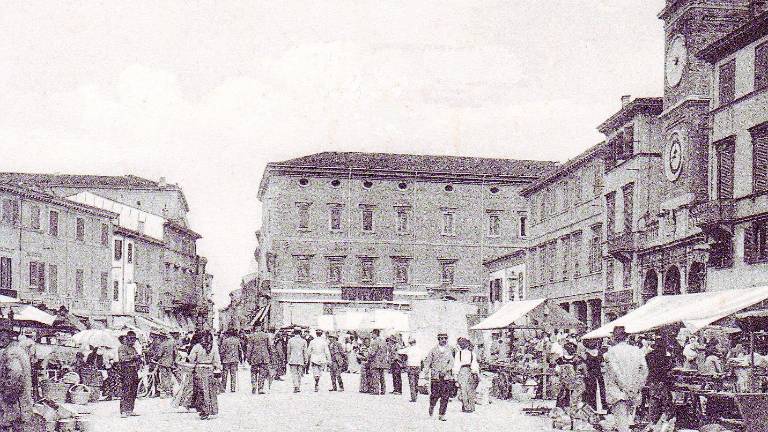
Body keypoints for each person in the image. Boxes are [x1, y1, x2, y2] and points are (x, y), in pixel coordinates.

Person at [604, 326, 648, 432]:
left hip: (618, 392)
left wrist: (626, 388)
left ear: (614, 337)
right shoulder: (637, 351)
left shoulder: (611, 352)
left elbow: (615, 372)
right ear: (627, 337)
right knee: (629, 421)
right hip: (634, 392)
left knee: (622, 424)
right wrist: (637, 387)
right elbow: (644, 370)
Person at [0, 324, 33, 432]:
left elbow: (15, 373)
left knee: (12, 425)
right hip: (21, 401)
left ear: (4, 338)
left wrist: (9, 394)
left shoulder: (11, 352)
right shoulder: (18, 350)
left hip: (15, 402)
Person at [188, 331, 221, 420]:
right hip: (210, 370)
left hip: (199, 370)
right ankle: (211, 409)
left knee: (201, 391)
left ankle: (204, 410)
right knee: (209, 391)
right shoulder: (214, 347)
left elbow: (191, 359)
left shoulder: (197, 347)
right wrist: (218, 368)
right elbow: (217, 360)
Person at [422, 332, 455, 421]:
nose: (444, 340)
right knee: (434, 395)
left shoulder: (450, 349)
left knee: (445, 396)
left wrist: (446, 369)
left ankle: (442, 414)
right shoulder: (433, 350)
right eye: (442, 338)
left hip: (446, 376)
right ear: (439, 339)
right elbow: (427, 362)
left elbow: (452, 362)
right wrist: (426, 372)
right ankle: (432, 406)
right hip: (435, 376)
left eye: (445, 338)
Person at [645, 338, 673, 424]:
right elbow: (668, 369)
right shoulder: (666, 358)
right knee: (664, 402)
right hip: (662, 381)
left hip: (653, 381)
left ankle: (653, 421)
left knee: (654, 401)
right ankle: (664, 421)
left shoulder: (648, 356)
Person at [117, 331, 142, 417]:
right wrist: (133, 357)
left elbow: (136, 358)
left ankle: (130, 409)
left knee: (133, 391)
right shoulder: (122, 348)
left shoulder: (133, 348)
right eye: (131, 339)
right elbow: (122, 358)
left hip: (134, 370)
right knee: (126, 390)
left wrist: (139, 359)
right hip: (126, 370)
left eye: (134, 339)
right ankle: (123, 411)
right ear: (127, 339)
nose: (133, 341)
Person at [453, 337, 479, 413]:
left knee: (463, 390)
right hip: (470, 370)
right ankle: (471, 407)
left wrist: (455, 375)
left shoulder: (459, 353)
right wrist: (475, 373)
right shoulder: (472, 354)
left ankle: (466, 406)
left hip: (462, 371)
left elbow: (456, 365)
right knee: (470, 390)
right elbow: (474, 364)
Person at [246, 325, 272, 394]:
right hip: (264, 357)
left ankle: (254, 385)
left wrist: (248, 358)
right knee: (262, 373)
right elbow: (269, 346)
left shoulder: (251, 336)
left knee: (253, 372)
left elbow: (249, 348)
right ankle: (260, 388)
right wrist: (270, 356)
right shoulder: (266, 335)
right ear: (261, 327)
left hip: (254, 357)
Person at [583, 338, 607, 411]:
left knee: (595, 390)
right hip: (595, 374)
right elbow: (603, 364)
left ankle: (596, 406)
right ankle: (598, 406)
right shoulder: (598, 353)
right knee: (595, 390)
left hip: (593, 373)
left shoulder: (586, 354)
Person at [399, 337, 423, 402]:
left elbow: (399, 351)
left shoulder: (409, 349)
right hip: (418, 366)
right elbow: (422, 358)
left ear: (410, 343)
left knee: (411, 382)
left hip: (410, 366)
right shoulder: (419, 349)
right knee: (416, 382)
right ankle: (416, 395)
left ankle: (413, 397)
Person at [287, 328, 308, 393]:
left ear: (294, 333)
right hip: (300, 359)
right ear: (300, 333)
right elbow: (305, 352)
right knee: (299, 374)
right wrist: (306, 360)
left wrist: (288, 359)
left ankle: (295, 386)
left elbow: (288, 351)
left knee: (294, 374)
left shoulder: (290, 340)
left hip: (292, 359)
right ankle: (298, 386)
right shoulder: (304, 341)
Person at [368, 329, 388, 395]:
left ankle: (376, 390)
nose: (371, 335)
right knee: (382, 376)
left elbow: (372, 353)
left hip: (375, 361)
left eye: (372, 334)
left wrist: (368, 352)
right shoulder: (383, 341)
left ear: (375, 334)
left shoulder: (374, 342)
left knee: (375, 376)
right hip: (382, 362)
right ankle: (383, 390)